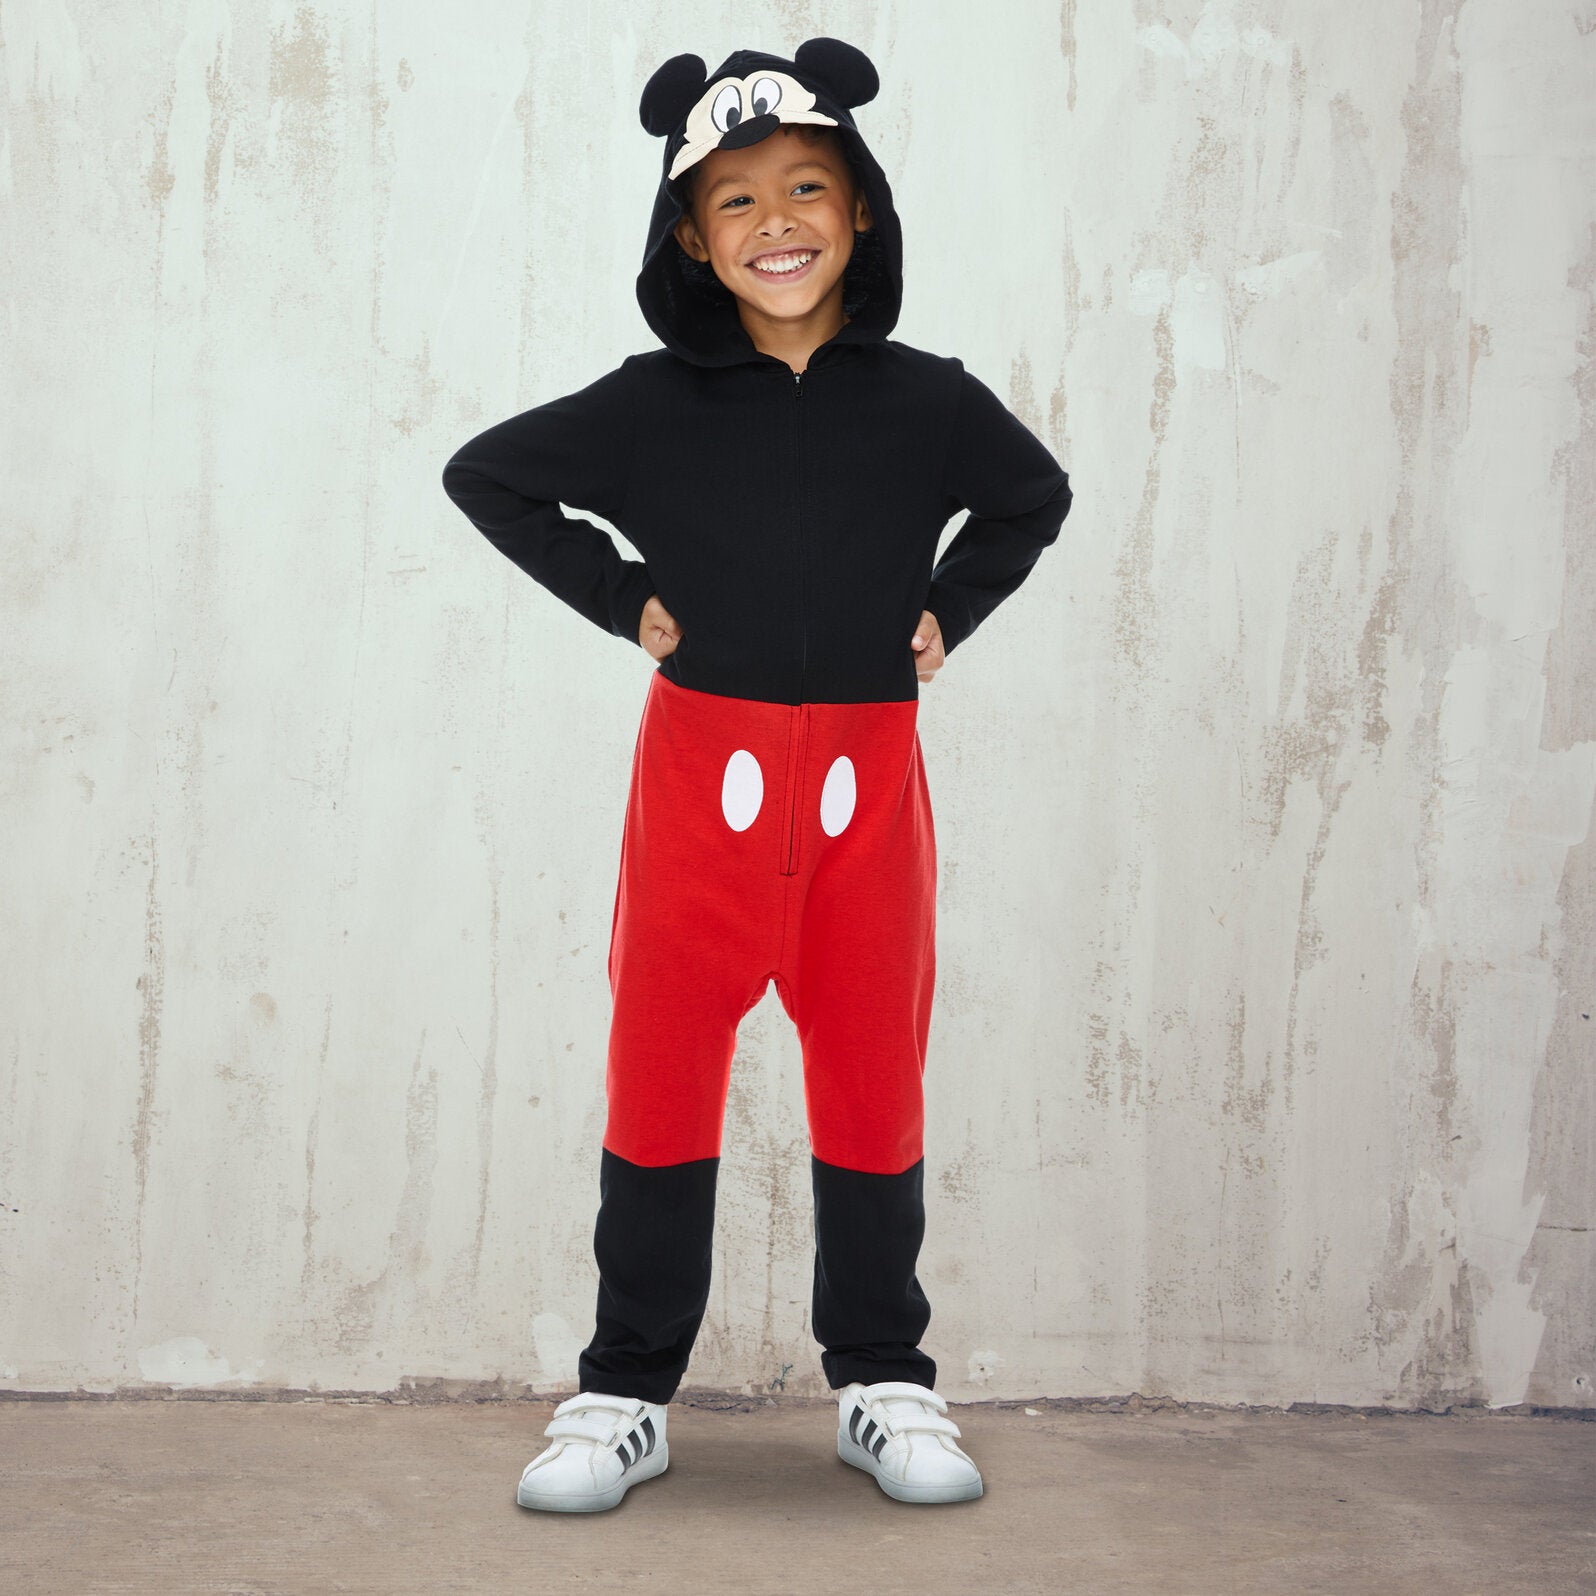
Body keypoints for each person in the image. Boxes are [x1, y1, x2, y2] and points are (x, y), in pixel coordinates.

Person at [441, 37, 1072, 1513]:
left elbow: (1031, 496)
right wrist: (620, 597)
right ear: (690, 237)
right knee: (661, 1075)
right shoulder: (648, 404)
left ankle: (884, 1379)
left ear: (861, 212)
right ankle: (623, 1391)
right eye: (735, 200)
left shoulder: (927, 401)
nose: (775, 222)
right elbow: (488, 474)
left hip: (866, 796)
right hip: (699, 800)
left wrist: (950, 609)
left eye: (806, 189)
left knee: (871, 1079)